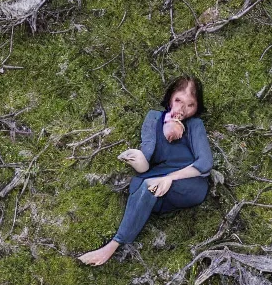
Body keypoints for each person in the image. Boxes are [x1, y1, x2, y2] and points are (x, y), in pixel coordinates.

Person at [78, 75, 213, 266]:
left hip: (190, 181)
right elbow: (146, 162)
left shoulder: (195, 125)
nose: (182, 109)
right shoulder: (153, 118)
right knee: (142, 185)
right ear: (170, 97)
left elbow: (205, 163)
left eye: (190, 105)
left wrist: (169, 178)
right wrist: (136, 158)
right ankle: (145, 208)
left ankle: (112, 246)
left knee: (150, 186)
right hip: (158, 177)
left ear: (197, 108)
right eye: (178, 101)